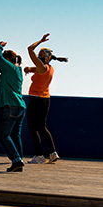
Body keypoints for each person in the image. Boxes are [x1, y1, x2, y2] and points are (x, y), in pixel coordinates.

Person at [24, 33, 68, 164]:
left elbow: (29, 49)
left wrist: (41, 41)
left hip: (35, 100)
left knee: (32, 127)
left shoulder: (41, 66)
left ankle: (39, 155)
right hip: (45, 99)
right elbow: (36, 69)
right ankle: (53, 153)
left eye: (40, 56)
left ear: (46, 58)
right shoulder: (49, 68)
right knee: (42, 127)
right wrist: (28, 69)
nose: (38, 57)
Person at [0, 41, 26, 172]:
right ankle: (19, 160)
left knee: (3, 135)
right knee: (15, 135)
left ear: (7, 60)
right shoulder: (16, 71)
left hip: (9, 106)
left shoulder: (10, 68)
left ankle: (16, 159)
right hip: (19, 107)